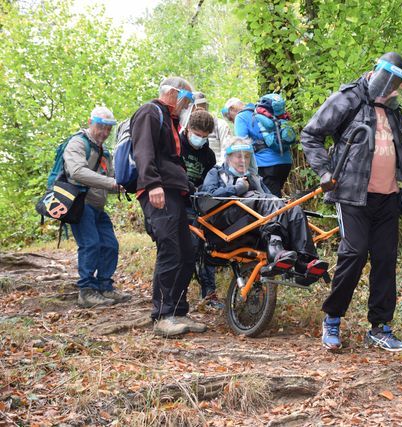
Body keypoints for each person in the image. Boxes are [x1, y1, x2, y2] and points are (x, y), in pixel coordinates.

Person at [300, 52, 402, 352]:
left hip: (388, 195)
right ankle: (333, 318)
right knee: (355, 253)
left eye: (399, 85)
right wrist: (324, 170)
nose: (395, 90)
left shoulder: (392, 108)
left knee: (386, 259)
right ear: (379, 76)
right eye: (392, 83)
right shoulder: (348, 98)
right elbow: (311, 135)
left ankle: (380, 327)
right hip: (352, 194)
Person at [130, 76, 207, 337]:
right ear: (174, 93)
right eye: (186, 99)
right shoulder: (150, 112)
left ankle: (179, 311)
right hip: (158, 191)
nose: (187, 105)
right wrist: (152, 184)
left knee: (187, 251)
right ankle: (162, 315)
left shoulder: (170, 119)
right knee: (170, 249)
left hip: (175, 192)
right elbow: (143, 150)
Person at [199, 138, 327, 285]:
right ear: (228, 157)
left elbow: (272, 201)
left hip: (254, 222)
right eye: (238, 156)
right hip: (225, 221)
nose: (243, 160)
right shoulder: (217, 173)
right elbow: (205, 199)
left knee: (293, 209)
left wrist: (286, 207)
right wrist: (235, 189)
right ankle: (275, 249)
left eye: (247, 156)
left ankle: (305, 261)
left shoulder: (254, 178)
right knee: (262, 199)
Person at [64, 107, 130, 308]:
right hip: (80, 205)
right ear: (90, 122)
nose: (104, 132)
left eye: (108, 129)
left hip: (98, 207)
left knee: (110, 245)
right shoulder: (77, 143)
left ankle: (105, 287)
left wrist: (126, 183)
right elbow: (77, 172)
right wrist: (111, 183)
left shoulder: (105, 152)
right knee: (91, 244)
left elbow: (110, 180)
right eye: (101, 127)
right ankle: (86, 291)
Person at [179, 108, 223, 308]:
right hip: (178, 204)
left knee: (207, 247)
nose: (201, 140)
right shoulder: (176, 145)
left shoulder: (209, 155)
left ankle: (209, 294)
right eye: (197, 135)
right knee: (184, 250)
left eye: (205, 137)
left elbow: (209, 184)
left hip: (199, 205)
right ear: (188, 129)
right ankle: (178, 294)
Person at [223, 97, 293, 197]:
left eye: (230, 118)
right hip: (285, 162)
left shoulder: (241, 117)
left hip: (265, 165)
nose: (232, 121)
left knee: (269, 202)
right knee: (274, 196)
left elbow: (242, 146)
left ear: (233, 109)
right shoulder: (265, 111)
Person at [192, 92, 232, 165]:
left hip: (216, 168)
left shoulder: (220, 125)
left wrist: (219, 171)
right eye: (196, 106)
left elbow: (226, 150)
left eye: (202, 105)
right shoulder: (187, 126)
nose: (199, 109)